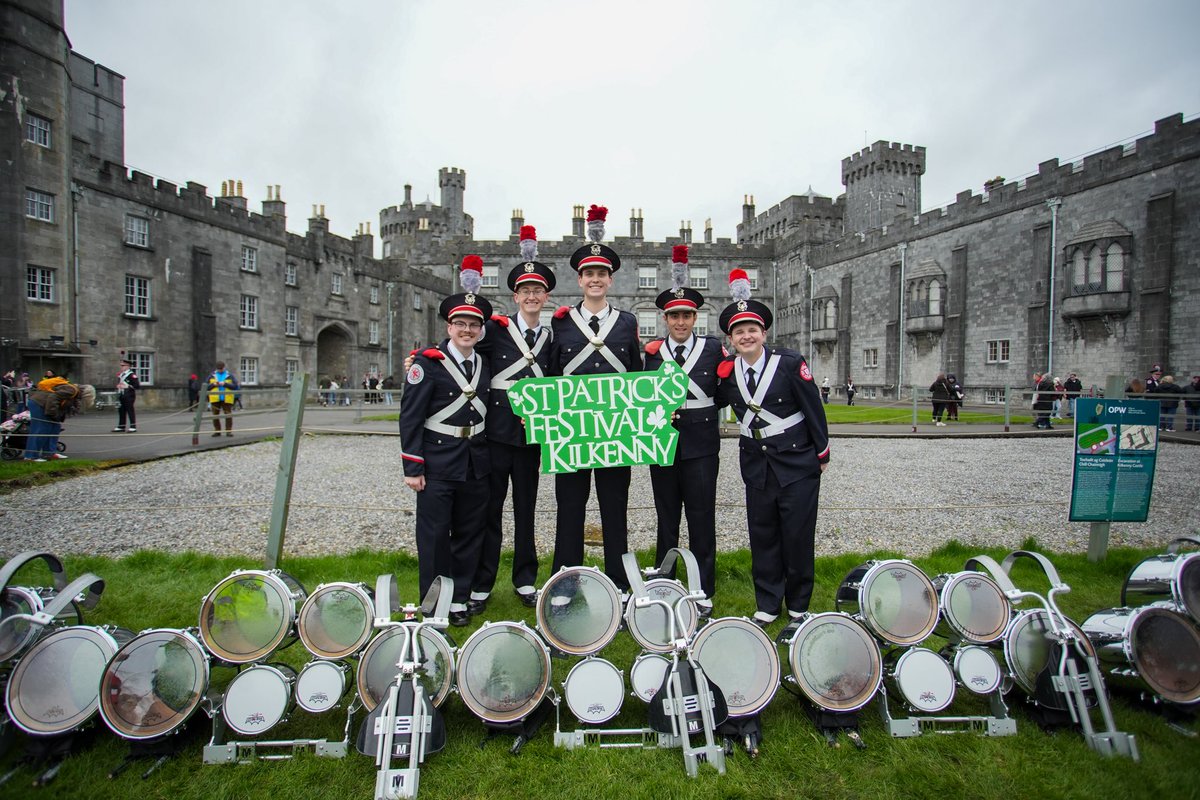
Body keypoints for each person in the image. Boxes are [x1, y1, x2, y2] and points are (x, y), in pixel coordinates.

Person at [715, 269, 829, 627]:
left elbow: (814, 408)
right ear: (731, 339)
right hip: (756, 466)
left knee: (796, 536)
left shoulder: (790, 363)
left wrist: (821, 453)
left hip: (796, 462)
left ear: (763, 333)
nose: (746, 336)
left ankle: (797, 604)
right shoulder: (726, 373)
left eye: (752, 329)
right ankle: (767, 602)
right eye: (739, 331)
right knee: (763, 536)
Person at [548, 205, 642, 593]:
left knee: (614, 510)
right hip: (571, 432)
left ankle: (618, 583)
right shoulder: (562, 322)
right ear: (580, 278)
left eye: (602, 273)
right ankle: (565, 581)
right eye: (589, 273)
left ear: (611, 279)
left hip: (614, 432)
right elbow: (552, 377)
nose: (596, 279)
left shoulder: (627, 322)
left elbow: (637, 378)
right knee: (569, 511)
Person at [399, 257, 493, 627]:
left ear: (481, 329)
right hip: (437, 463)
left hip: (475, 462)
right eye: (460, 323)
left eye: (473, 324)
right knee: (436, 536)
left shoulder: (486, 364)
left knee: (470, 533)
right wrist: (412, 466)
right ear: (449, 326)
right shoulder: (428, 363)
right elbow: (410, 416)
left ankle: (461, 597)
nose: (467, 329)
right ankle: (435, 600)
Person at [468, 229, 557, 612]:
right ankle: (482, 584)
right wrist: (420, 359)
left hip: (531, 438)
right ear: (515, 297)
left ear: (546, 296)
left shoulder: (553, 338)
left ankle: (524, 578)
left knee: (526, 510)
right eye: (526, 290)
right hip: (495, 435)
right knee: (490, 510)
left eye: (538, 289)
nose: (532, 296)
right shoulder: (494, 330)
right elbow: (461, 345)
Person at [641, 245, 722, 617]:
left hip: (702, 444)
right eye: (674, 316)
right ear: (665, 318)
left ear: (695, 317)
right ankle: (666, 581)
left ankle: (703, 587)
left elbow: (723, 395)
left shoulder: (713, 350)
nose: (681, 323)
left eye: (687, 315)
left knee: (702, 516)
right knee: (667, 515)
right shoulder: (652, 354)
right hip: (663, 443)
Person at [23, 377, 93, 461]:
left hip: (42, 404)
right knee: (41, 429)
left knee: (54, 428)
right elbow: (53, 398)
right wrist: (53, 414)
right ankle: (31, 456)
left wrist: (56, 417)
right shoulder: (72, 390)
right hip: (39, 404)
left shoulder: (72, 390)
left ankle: (49, 453)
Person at [207, 361, 239, 437]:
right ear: (216, 368)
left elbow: (235, 386)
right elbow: (206, 386)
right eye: (219, 369)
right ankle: (217, 431)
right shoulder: (211, 376)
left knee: (228, 415)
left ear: (224, 367)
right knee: (215, 416)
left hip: (227, 398)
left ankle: (228, 431)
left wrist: (225, 384)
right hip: (215, 398)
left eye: (221, 369)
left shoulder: (230, 375)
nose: (220, 370)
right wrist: (214, 384)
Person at [113, 357, 140, 432]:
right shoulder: (121, 375)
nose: (121, 367)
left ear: (128, 366)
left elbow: (137, 386)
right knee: (121, 410)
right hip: (121, 394)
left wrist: (128, 386)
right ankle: (121, 426)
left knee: (130, 410)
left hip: (129, 395)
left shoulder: (132, 375)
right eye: (121, 365)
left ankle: (133, 426)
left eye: (123, 366)